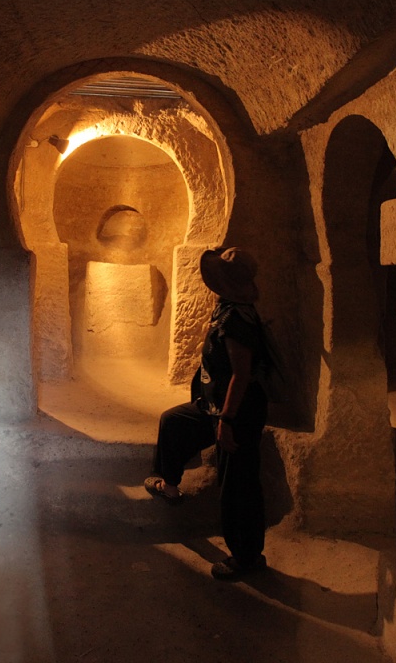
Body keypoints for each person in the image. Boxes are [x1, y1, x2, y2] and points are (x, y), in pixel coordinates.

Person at [143, 246, 269, 581]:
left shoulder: (238, 322)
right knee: (174, 422)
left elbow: (241, 375)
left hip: (236, 411)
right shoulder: (230, 310)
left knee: (237, 486)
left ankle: (246, 558)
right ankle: (169, 487)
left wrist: (226, 421)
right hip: (215, 405)